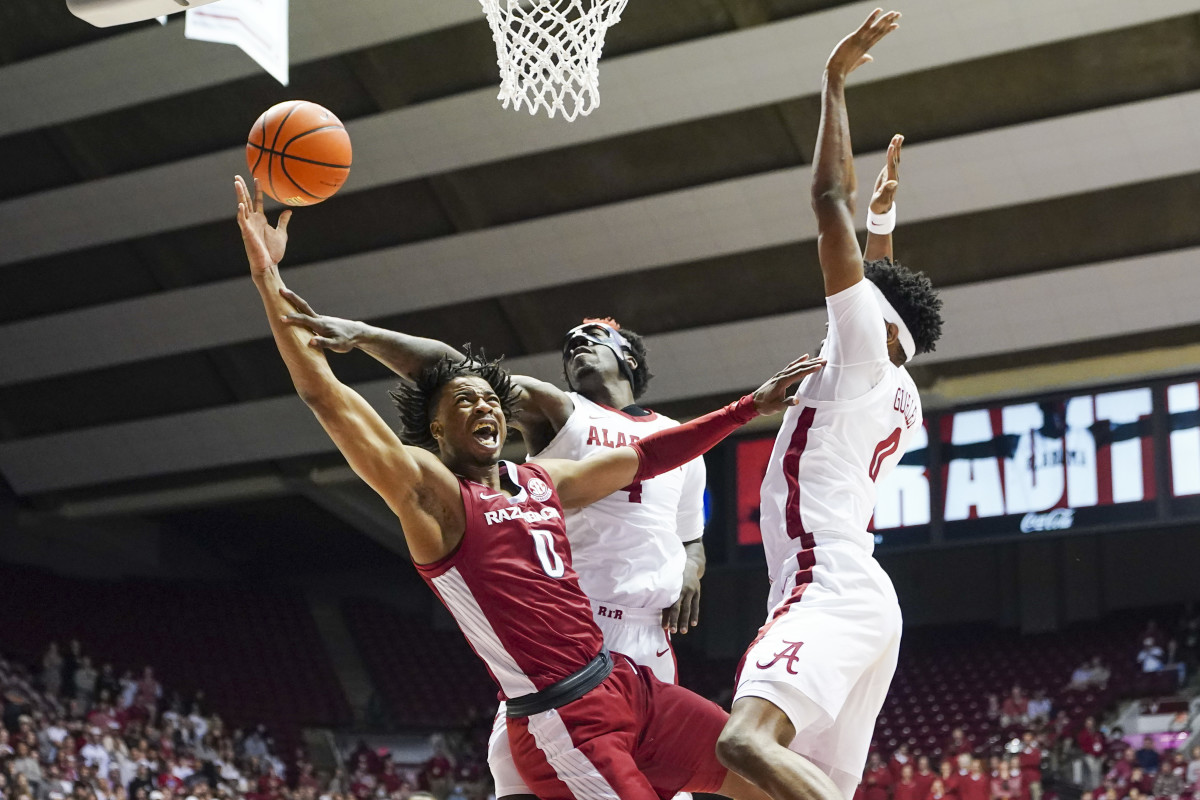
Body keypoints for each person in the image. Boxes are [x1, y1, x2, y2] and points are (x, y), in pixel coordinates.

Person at [235, 174, 826, 800]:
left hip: (629, 678)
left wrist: (746, 408)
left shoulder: (541, 480)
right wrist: (267, 280)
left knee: (765, 771)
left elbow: (647, 457)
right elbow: (324, 394)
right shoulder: (436, 498)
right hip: (563, 713)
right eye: (466, 399)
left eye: (491, 398)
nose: (486, 405)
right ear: (435, 425)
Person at [713, 10, 943, 800]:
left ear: (873, 320)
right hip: (863, 599)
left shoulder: (860, 355)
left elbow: (824, 198)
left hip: (827, 585)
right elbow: (885, 293)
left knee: (742, 746)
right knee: (757, 791)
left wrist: (834, 82)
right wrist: (882, 227)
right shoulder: (899, 383)